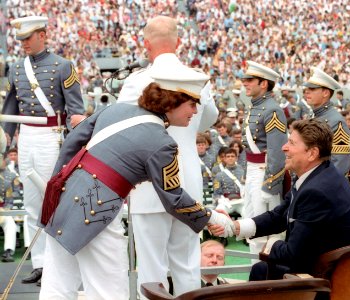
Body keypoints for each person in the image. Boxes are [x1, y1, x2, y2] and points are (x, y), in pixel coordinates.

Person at [39, 64, 234, 299]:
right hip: (99, 209)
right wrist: (212, 217)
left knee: (57, 286)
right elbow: (174, 199)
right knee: (109, 292)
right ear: (172, 101)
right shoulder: (163, 144)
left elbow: (72, 143)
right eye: (191, 104)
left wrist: (59, 184)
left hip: (65, 197)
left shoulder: (116, 109)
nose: (194, 111)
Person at [116, 16, 219, 296]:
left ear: (145, 44)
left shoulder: (136, 82)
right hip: (187, 183)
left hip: (148, 184)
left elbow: (119, 129)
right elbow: (208, 120)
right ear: (180, 42)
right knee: (187, 264)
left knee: (150, 268)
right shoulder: (197, 79)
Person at [211, 119, 350, 280]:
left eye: (292, 143)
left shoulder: (316, 191)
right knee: (261, 269)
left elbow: (293, 255)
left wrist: (271, 245)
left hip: (336, 280)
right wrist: (235, 226)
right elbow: (280, 215)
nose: (284, 147)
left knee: (260, 271)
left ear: (312, 153)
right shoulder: (320, 174)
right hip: (335, 267)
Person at [1, 16, 85, 285]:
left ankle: (57, 264)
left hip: (52, 136)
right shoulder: (16, 67)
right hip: (26, 136)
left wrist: (75, 141)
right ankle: (38, 263)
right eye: (21, 39)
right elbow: (12, 105)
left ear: (42, 35)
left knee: (54, 198)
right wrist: (6, 134)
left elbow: (76, 109)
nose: (24, 43)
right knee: (31, 202)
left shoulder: (62, 66)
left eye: (28, 37)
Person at [240, 60, 288, 255]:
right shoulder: (255, 106)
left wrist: (271, 183)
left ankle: (263, 276)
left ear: (264, 84)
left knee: (262, 227)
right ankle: (256, 273)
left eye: (250, 80)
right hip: (253, 171)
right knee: (250, 222)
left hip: (263, 173)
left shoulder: (272, 109)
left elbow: (277, 152)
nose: (245, 83)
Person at [303, 67, 350, 176]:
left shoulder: (336, 122)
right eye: (307, 88)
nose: (307, 91)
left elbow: (339, 163)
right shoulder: (312, 115)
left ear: (325, 93)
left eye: (313, 89)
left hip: (323, 181)